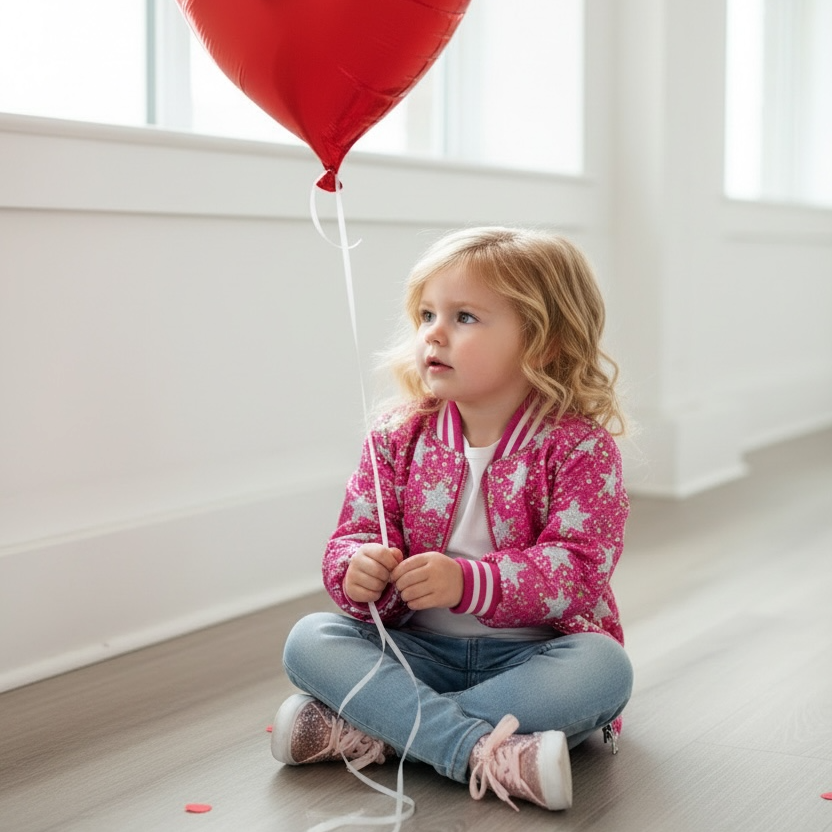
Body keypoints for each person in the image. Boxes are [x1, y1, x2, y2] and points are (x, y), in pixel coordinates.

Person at [271, 227, 633, 813]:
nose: (433, 334)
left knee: (604, 671)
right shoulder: (395, 438)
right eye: (426, 315)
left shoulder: (578, 449)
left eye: (464, 317)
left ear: (543, 343)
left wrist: (468, 583)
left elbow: (578, 570)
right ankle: (478, 748)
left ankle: (377, 728)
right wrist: (357, 569)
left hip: (534, 658)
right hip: (416, 650)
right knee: (310, 639)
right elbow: (355, 535)